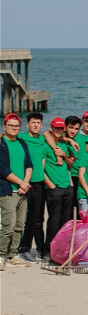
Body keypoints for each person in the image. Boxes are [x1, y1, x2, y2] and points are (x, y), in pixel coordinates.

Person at [0, 113, 33, 269]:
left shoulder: (21, 142)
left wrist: (25, 183)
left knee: (19, 225)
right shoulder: (1, 144)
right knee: (9, 225)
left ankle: (12, 254)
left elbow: (29, 164)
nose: (14, 128)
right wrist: (20, 182)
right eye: (11, 125)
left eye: (16, 126)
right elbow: (2, 169)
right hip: (8, 190)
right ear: (4, 127)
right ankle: (1, 255)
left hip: (22, 190)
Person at [41, 118, 73, 261]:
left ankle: (61, 251)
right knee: (53, 220)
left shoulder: (64, 145)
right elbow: (40, 168)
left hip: (67, 187)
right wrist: (50, 184)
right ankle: (48, 251)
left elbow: (69, 165)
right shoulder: (45, 145)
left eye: (61, 128)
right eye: (56, 128)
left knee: (65, 222)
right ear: (51, 128)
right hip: (54, 188)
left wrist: (64, 156)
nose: (59, 131)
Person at [18, 112, 47, 263]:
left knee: (39, 218)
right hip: (26, 182)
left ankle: (41, 249)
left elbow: (53, 136)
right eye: (33, 122)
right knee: (26, 217)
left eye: (38, 123)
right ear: (27, 124)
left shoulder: (42, 139)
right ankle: (24, 248)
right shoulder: (21, 138)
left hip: (40, 182)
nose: (36, 125)